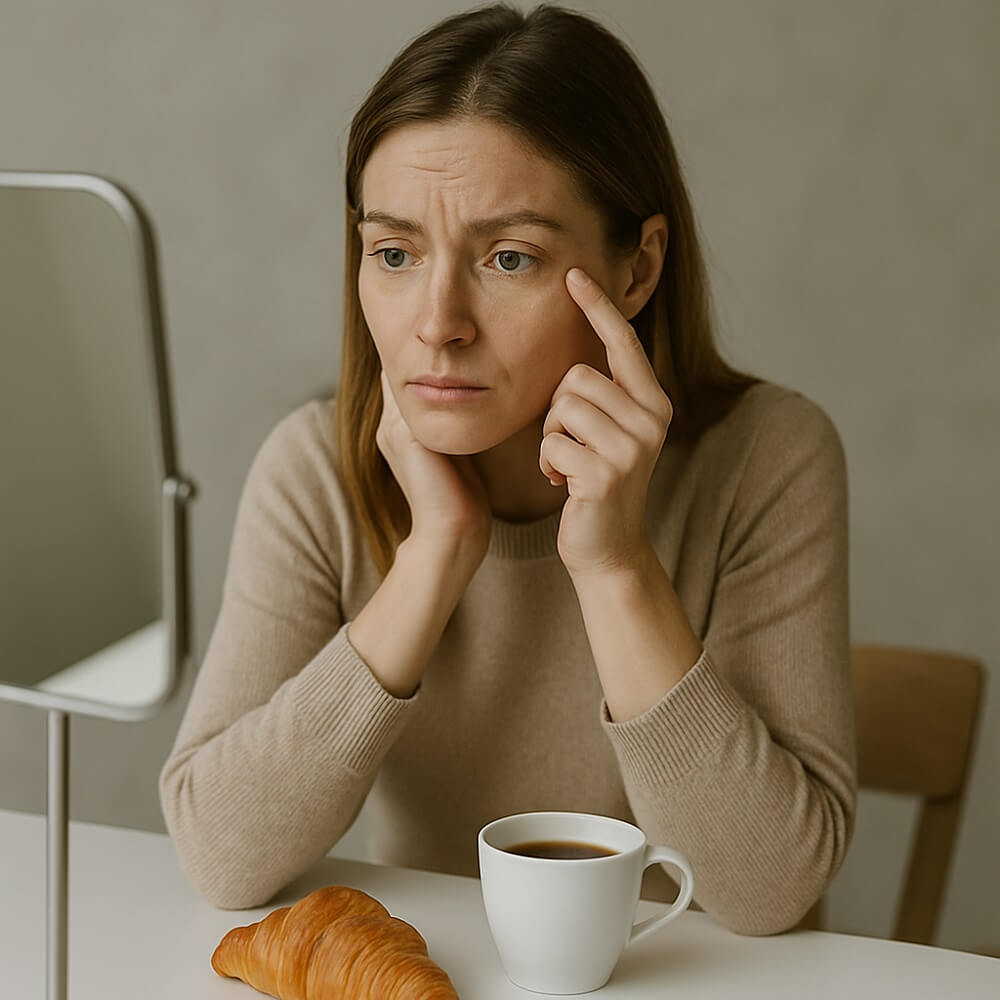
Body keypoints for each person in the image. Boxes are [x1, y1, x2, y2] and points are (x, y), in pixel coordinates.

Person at [159, 2, 856, 936]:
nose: (437, 320)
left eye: (509, 256)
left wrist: (616, 568)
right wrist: (434, 555)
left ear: (637, 269)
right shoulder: (314, 470)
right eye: (395, 253)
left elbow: (769, 891)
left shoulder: (767, 460)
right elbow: (221, 855)